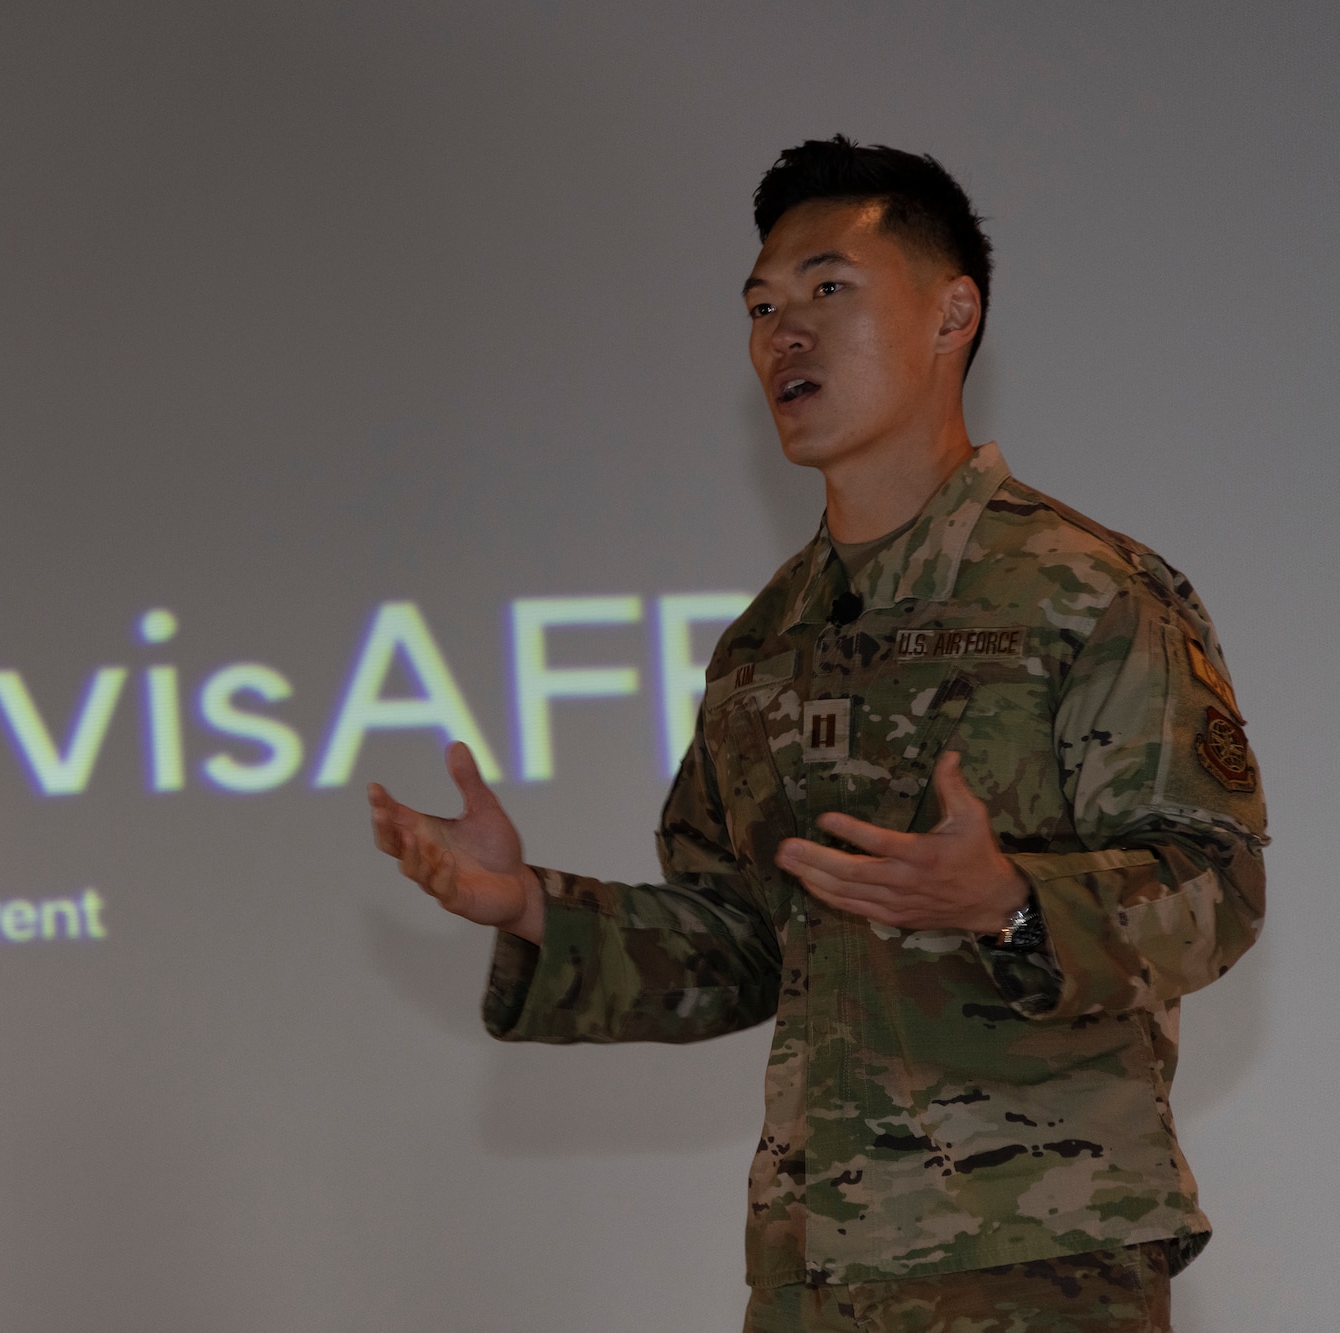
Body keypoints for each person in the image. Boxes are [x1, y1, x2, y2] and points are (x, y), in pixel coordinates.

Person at [367, 137, 1266, 1332]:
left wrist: (1006, 902)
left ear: (953, 313)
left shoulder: (1085, 591)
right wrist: (531, 905)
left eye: (826, 291)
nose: (780, 334)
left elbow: (1215, 883)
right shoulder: (762, 642)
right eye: (759, 307)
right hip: (811, 1268)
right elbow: (743, 936)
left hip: (1035, 1259)